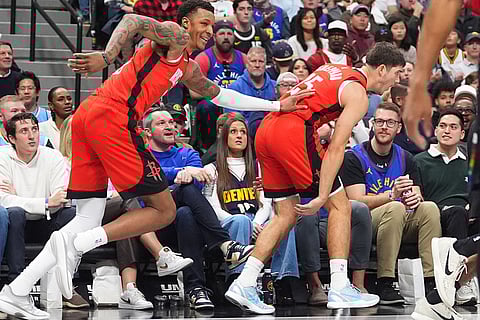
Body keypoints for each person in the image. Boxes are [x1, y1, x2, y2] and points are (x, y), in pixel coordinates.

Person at [0, 1, 312, 318]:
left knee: (87, 217)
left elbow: (221, 95)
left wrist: (274, 106)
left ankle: (17, 290)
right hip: (114, 119)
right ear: (186, 23)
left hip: (89, 119)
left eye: (212, 24)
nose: (209, 30)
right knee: (164, 210)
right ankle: (81, 244)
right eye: (203, 23)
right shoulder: (174, 36)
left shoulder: (188, 67)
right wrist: (105, 57)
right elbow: (133, 19)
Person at [224, 42, 405, 314]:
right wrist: (322, 195)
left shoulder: (333, 68)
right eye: (397, 73)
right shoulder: (359, 95)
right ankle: (341, 286)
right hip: (294, 133)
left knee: (285, 214)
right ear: (382, 69)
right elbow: (335, 147)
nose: (398, 79)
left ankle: (245, 281)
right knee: (340, 205)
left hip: (267, 130)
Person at [341, 102, 442, 304]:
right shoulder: (354, 157)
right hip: (366, 221)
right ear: (372, 125)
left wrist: (414, 198)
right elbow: (356, 201)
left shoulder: (406, 158)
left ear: (399, 128)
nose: (384, 127)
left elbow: (417, 193)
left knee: (429, 208)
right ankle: (385, 280)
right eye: (379, 121)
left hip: (399, 219)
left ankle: (430, 281)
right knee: (395, 207)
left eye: (390, 122)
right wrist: (391, 195)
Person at [204, 114, 299, 303]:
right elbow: (212, 207)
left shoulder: (259, 166)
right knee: (241, 220)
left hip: (256, 221)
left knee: (286, 223)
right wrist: (248, 223)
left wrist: (256, 222)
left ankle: (282, 280)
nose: (239, 136)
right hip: (228, 223)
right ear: (224, 137)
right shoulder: (211, 168)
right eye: (233, 132)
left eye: (243, 132)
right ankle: (236, 277)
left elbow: (265, 202)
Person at [0, 113, 76, 283]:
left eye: (34, 129)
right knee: (15, 213)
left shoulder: (53, 156)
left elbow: (60, 198)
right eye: (24, 131)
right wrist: (46, 202)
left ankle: (65, 281)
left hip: (46, 221)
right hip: (16, 225)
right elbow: (3, 200)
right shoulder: (2, 158)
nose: (32, 135)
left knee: (69, 213)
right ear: (12, 138)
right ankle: (16, 282)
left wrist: (17, 196)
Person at [414, 109, 477, 306]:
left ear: (462, 133)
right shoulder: (420, 161)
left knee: (465, 214)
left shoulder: (471, 161)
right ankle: (461, 281)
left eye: (453, 127)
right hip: (436, 215)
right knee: (457, 212)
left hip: (469, 214)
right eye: (442, 126)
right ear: (436, 130)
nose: (447, 131)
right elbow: (418, 199)